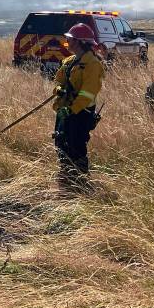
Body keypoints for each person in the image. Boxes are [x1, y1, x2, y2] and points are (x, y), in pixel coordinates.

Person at [52, 23, 104, 188]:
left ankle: (80, 183)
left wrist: (71, 110)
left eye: (70, 39)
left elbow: (88, 94)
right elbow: (58, 80)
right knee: (61, 142)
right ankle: (66, 179)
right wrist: (59, 89)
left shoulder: (93, 64)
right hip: (64, 110)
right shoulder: (69, 61)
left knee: (76, 146)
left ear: (79, 42)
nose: (67, 42)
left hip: (81, 113)